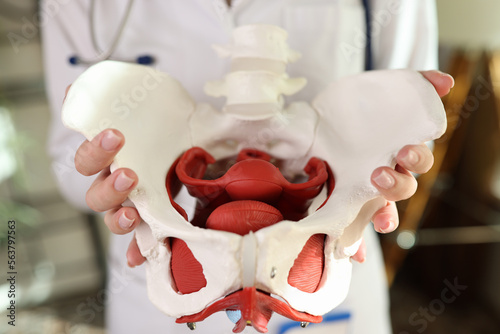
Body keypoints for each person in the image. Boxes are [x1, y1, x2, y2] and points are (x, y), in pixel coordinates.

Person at [41, 1, 454, 333]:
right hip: (170, 274)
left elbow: (404, 132)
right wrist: (115, 185)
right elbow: (67, 158)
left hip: (316, 268)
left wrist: (375, 181)